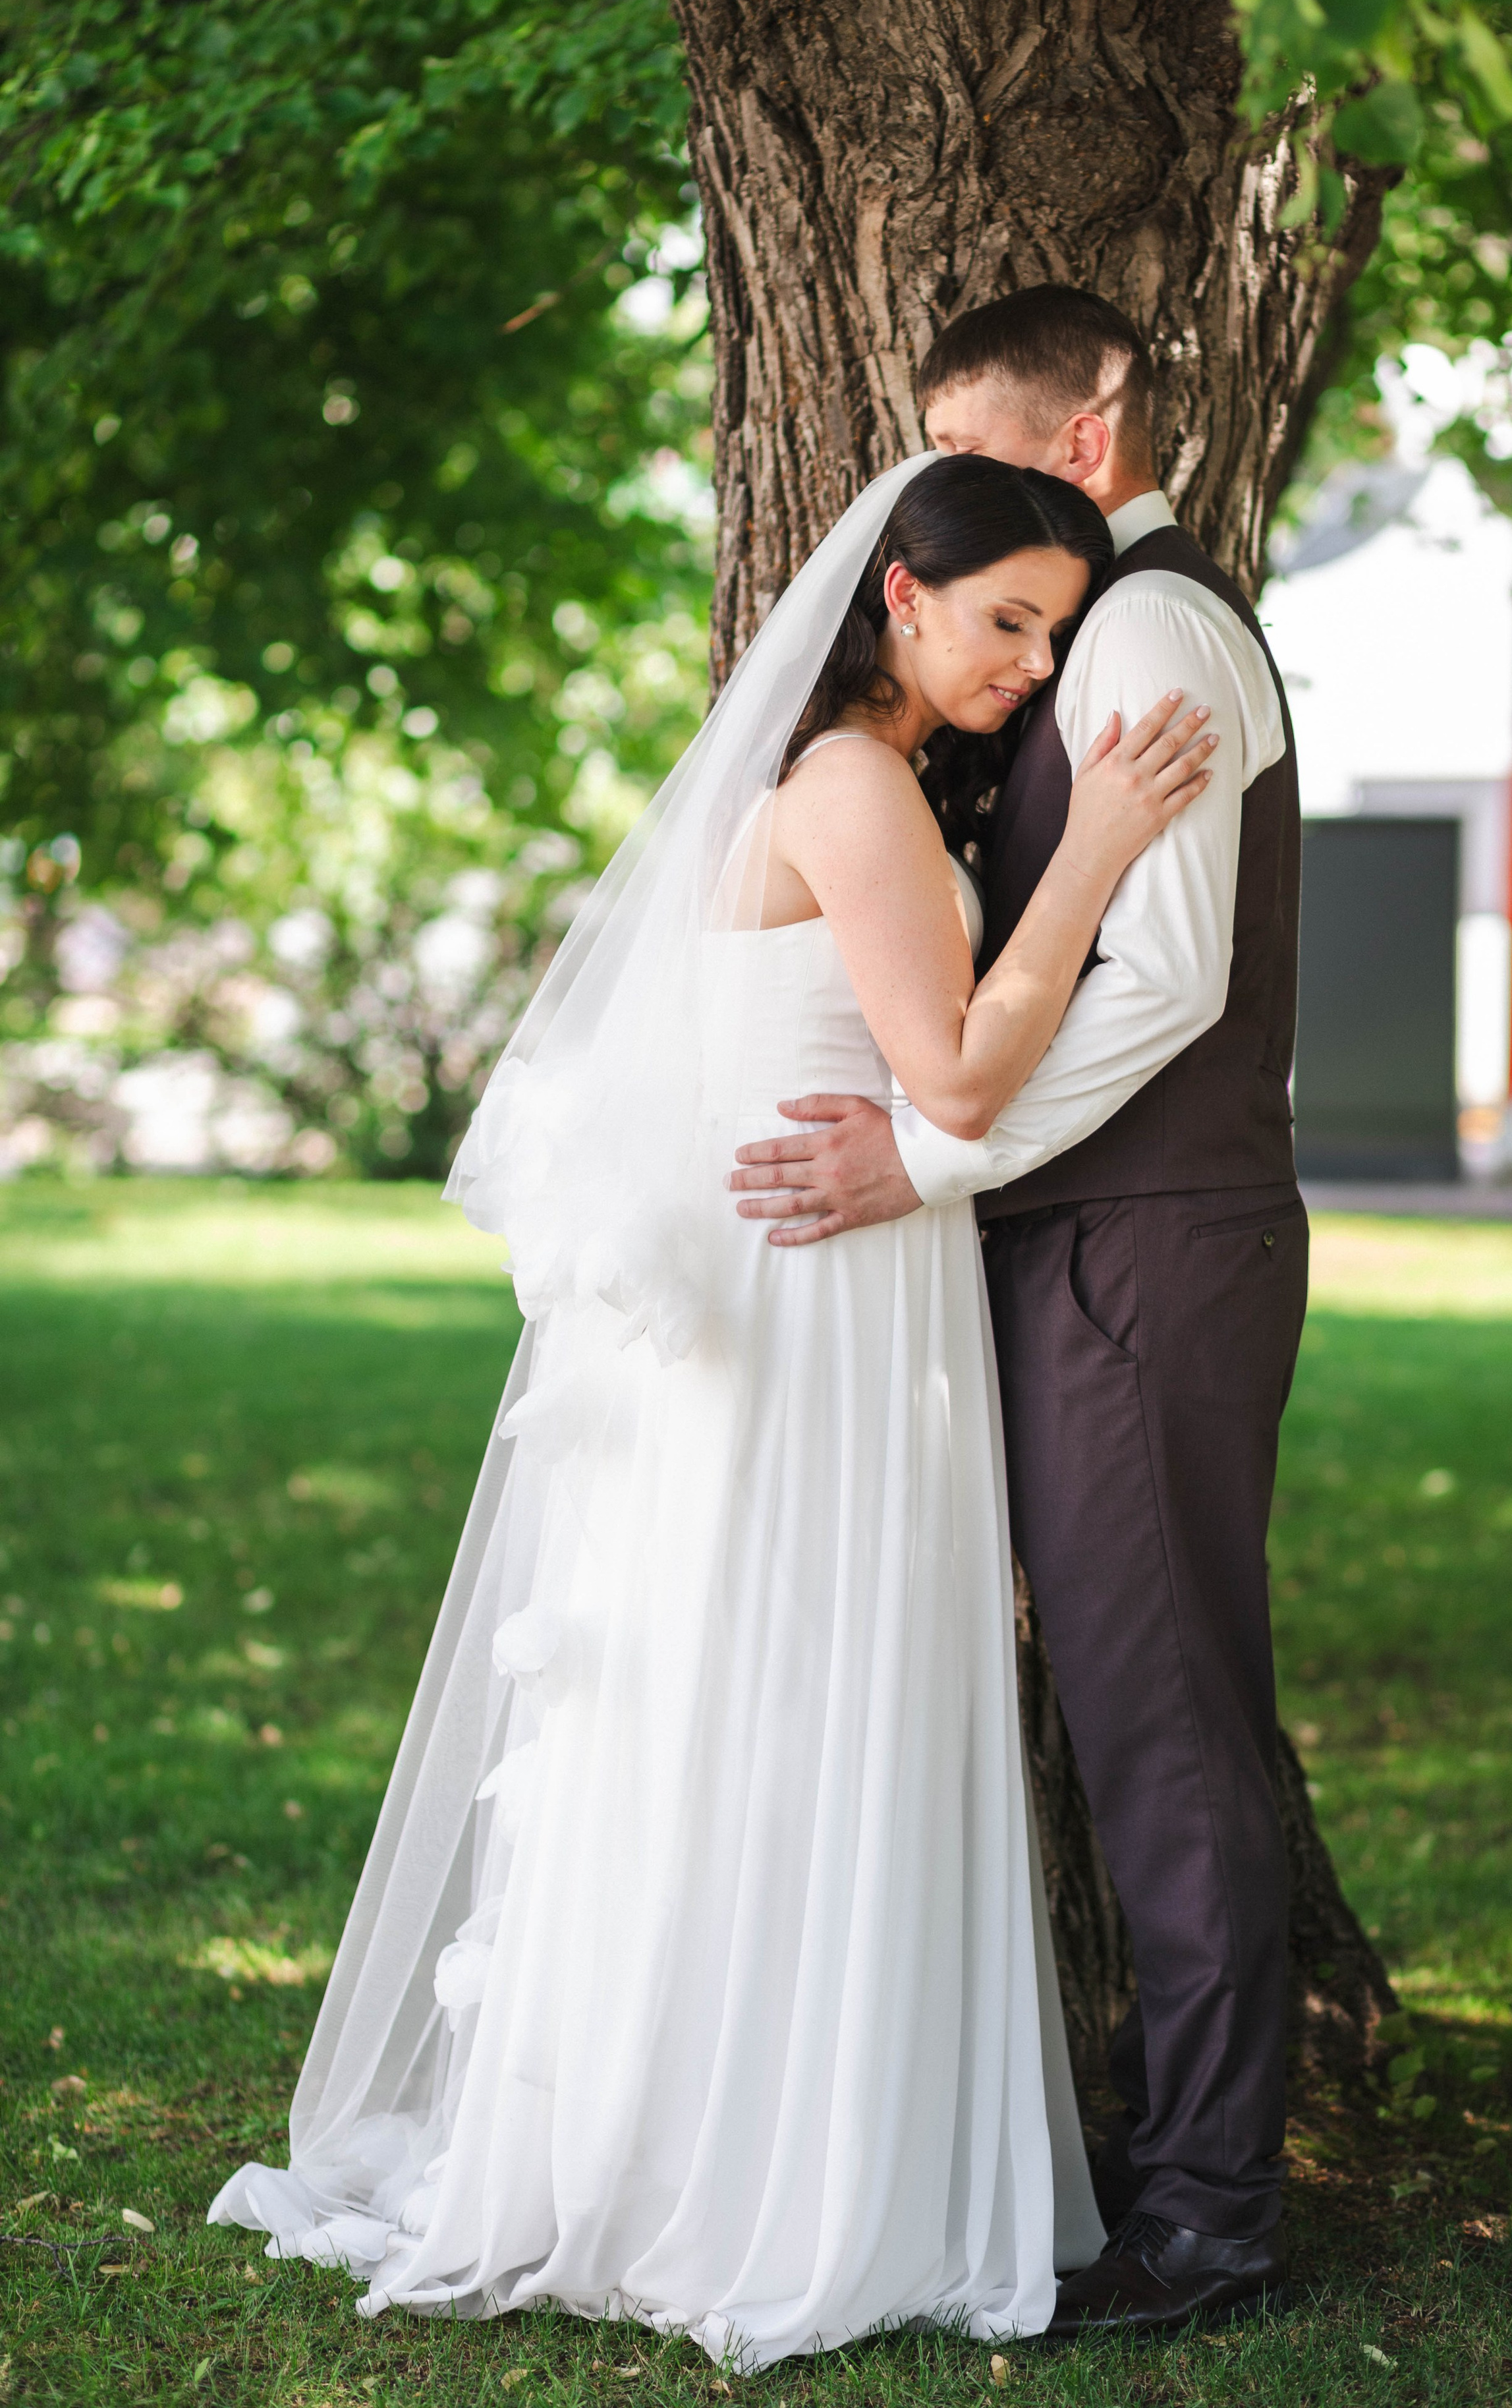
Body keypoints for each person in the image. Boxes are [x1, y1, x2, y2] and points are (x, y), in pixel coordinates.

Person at [206, 453, 1217, 2367]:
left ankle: (771, 2134)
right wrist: (1099, 855)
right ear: (901, 599)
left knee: (788, 1696)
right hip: (812, 1305)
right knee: (791, 1694)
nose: (1033, 663)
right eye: (1006, 619)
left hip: (835, 1283)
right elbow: (964, 1078)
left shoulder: (876, 778)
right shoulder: (850, 783)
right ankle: (747, 2166)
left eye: (1059, 632)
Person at [731, 287, 1306, 2340]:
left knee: (1164, 1726)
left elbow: (1163, 978)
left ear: (1103, 425)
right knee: (1140, 1710)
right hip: (1082, 1235)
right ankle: (1176, 2156)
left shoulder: (1147, 633)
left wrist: (926, 1157)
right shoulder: (1076, 642)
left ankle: (1214, 2210)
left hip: (1142, 1236)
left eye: (1013, 442)